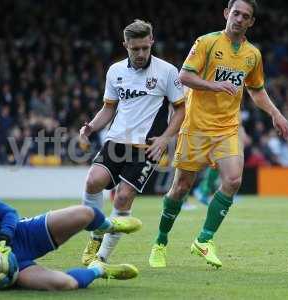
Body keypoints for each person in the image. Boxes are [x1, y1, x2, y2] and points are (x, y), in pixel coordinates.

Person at [148, 0, 288, 268]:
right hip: (196, 126)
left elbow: (256, 90)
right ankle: (160, 241)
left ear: (251, 22)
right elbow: (184, 77)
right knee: (180, 187)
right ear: (226, 14)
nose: (239, 19)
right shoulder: (206, 43)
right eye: (235, 13)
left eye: (245, 16)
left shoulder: (252, 55)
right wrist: (214, 86)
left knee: (234, 179)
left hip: (227, 127)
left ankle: (204, 240)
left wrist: (276, 114)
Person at [79, 19, 186, 265]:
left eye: (144, 48)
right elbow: (108, 108)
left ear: (151, 42)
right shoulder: (115, 71)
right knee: (93, 181)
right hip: (116, 141)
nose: (140, 54)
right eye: (134, 49)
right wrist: (91, 127)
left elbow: (180, 110)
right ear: (125, 45)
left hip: (147, 147)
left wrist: (165, 139)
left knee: (123, 198)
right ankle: (95, 236)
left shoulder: (167, 71)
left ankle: (102, 257)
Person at [0, 177, 142, 291]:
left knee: (85, 213)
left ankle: (107, 226)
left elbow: (8, 213)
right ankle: (99, 269)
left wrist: (5, 235)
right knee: (66, 284)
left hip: (19, 235)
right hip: (10, 270)